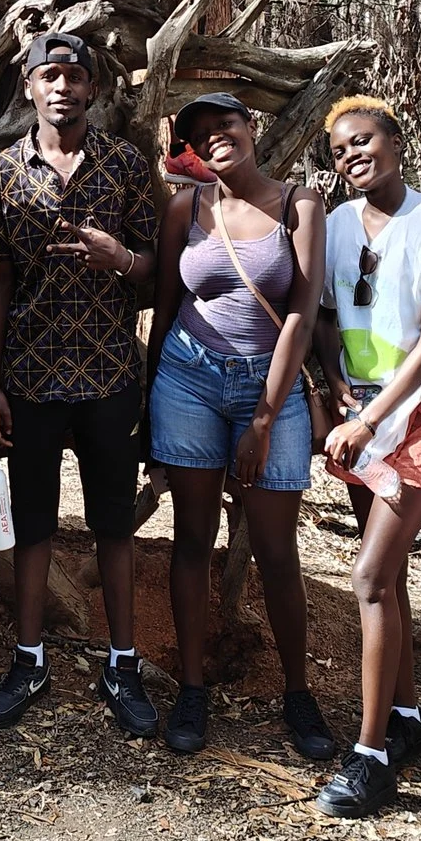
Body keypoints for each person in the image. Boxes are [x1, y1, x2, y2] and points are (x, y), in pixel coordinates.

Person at [0, 34, 162, 737]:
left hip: (110, 374)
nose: (63, 86)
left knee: (114, 522)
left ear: (92, 90)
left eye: (75, 76)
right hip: (29, 375)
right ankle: (29, 658)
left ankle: (123, 660)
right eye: (49, 74)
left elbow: (155, 266)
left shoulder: (123, 162)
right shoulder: (5, 169)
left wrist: (122, 258)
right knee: (33, 523)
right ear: (29, 86)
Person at [143, 93, 337, 761]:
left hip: (270, 389)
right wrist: (150, 413)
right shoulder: (184, 209)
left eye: (225, 124)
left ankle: (297, 691)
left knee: (276, 549)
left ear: (251, 128)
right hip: (188, 379)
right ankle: (191, 689)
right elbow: (165, 310)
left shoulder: (300, 205)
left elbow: (301, 316)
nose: (214, 137)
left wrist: (260, 420)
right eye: (199, 134)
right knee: (192, 538)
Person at [308, 96, 421, 819]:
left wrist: (373, 416)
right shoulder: (337, 226)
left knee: (371, 576)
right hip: (359, 415)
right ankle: (407, 716)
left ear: (398, 142)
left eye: (365, 139)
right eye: (341, 147)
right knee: (393, 574)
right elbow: (323, 314)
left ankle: (372, 757)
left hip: (417, 416)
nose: (353, 153)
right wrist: (331, 387)